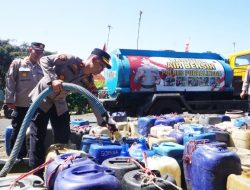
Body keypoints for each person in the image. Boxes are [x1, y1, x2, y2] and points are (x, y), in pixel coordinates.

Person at [28, 48, 113, 177]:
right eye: (101, 65)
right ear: (94, 59)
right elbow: (44, 59)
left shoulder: (89, 81)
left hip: (59, 103)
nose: (102, 70)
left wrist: (106, 123)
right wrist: (53, 79)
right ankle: (36, 175)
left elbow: (95, 102)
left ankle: (58, 170)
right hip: (42, 100)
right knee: (38, 137)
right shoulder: (69, 59)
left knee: (63, 136)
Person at [4, 42, 45, 158]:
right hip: (21, 104)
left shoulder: (43, 66)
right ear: (29, 50)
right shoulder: (18, 63)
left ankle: (34, 157)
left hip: (37, 105)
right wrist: (9, 99)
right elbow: (10, 81)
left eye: (41, 52)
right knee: (18, 131)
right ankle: (16, 157)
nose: (38, 54)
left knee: (37, 132)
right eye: (36, 51)